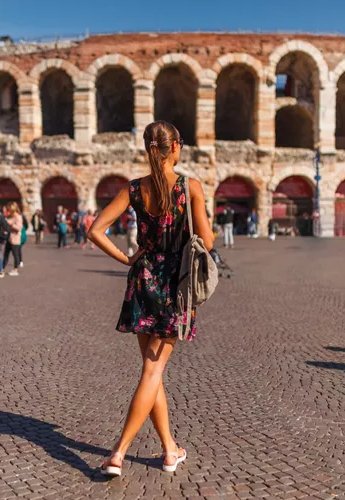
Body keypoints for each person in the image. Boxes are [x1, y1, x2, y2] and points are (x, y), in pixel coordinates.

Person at [87, 121, 214, 477]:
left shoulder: (134, 189)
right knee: (152, 371)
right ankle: (118, 452)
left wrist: (127, 258)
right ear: (174, 147)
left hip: (142, 280)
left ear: (148, 149)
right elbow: (208, 242)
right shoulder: (190, 187)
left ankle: (170, 449)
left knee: (151, 371)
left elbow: (95, 230)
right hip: (174, 284)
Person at [2, 202, 25, 276]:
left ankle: (15, 269)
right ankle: (2, 268)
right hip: (9, 237)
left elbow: (19, 228)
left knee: (15, 254)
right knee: (6, 254)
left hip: (15, 238)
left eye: (8, 209)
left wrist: (11, 225)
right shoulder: (11, 216)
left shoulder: (18, 217)